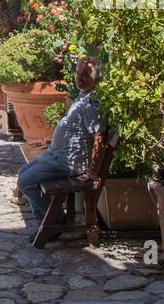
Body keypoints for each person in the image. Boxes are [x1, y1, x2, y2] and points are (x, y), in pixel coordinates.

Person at [16, 58, 104, 229]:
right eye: (79, 73)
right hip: (58, 156)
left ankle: (53, 223)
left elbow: (99, 136)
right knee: (23, 172)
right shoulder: (83, 96)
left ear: (97, 78)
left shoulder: (91, 103)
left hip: (67, 163)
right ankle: (49, 219)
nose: (80, 78)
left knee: (25, 181)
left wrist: (92, 172)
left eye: (86, 75)